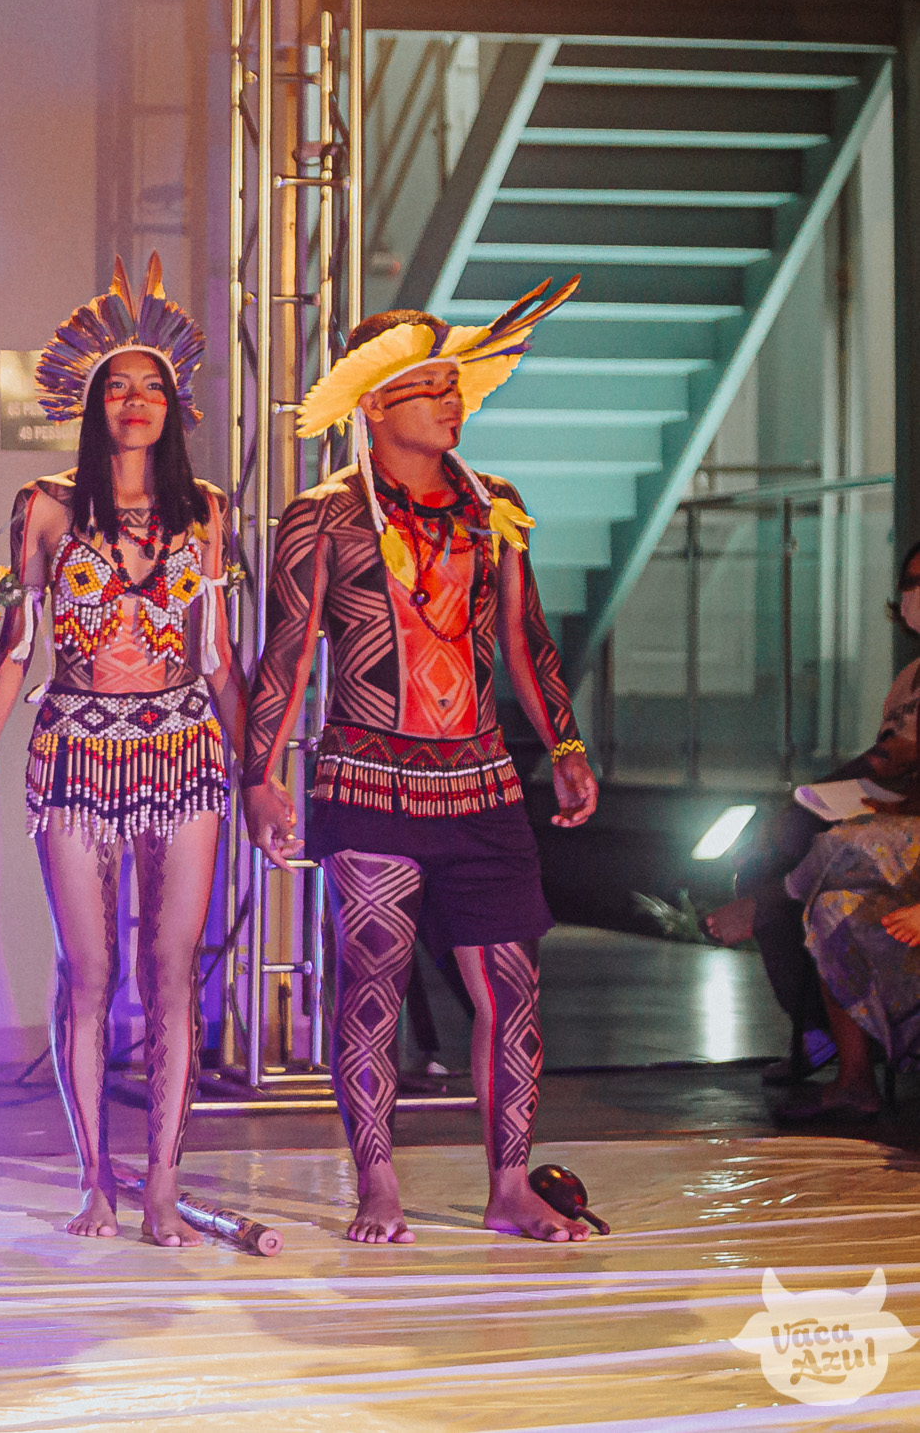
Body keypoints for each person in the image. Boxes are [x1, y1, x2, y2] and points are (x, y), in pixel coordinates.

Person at [243, 281, 598, 1245]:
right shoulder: (322, 516)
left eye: (455, 384)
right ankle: (378, 1184)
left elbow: (524, 638)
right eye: (430, 386)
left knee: (513, 987)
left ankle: (510, 1185)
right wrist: (261, 776)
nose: (452, 400)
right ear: (372, 403)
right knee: (372, 980)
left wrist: (565, 745)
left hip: (481, 781)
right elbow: (288, 652)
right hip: (366, 779)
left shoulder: (494, 507)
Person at [0, 258, 244, 1245]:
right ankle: (94, 1179)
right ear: (90, 405)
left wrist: (258, 770)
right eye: (116, 386)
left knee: (172, 967)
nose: (133, 400)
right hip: (75, 749)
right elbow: (16, 644)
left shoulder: (204, 510)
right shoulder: (45, 506)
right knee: (88, 969)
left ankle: (161, 1180)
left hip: (183, 750)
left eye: (150, 385)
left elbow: (218, 657)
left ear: (173, 403)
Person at [705, 540, 920, 1092]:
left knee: (828, 860)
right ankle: (816, 1032)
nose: (916, 594)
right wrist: (815, 800)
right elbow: (886, 759)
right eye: (911, 582)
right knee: (771, 863)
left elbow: (899, 756)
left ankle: (767, 906)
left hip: (907, 829)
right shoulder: (909, 679)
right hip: (887, 813)